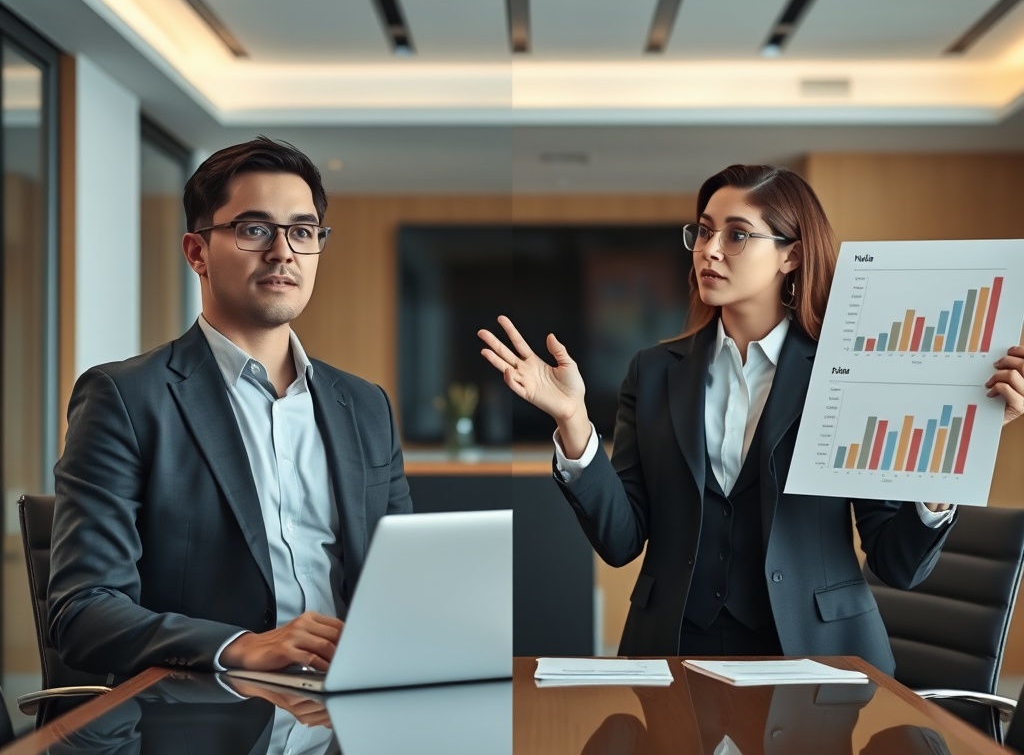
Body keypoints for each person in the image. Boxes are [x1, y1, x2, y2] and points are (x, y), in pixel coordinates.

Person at [479, 164, 1024, 673]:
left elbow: (896, 561)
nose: (710, 250)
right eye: (704, 231)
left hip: (815, 654)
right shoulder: (652, 373)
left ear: (791, 255)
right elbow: (622, 541)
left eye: (737, 234)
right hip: (673, 648)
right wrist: (573, 420)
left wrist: (958, 445)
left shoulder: (848, 371)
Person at [49, 136, 412, 679]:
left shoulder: (364, 406)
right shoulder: (125, 398)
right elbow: (82, 612)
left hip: (352, 709)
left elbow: (403, 584)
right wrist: (241, 646)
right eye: (255, 229)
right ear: (197, 252)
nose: (283, 251)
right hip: (207, 710)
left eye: (303, 231)